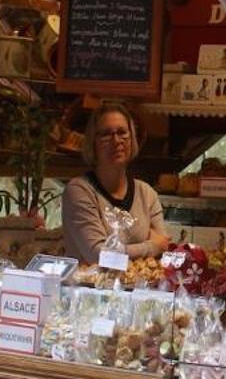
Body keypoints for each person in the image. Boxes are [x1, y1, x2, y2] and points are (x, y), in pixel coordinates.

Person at [61, 100, 169, 263]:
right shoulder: (79, 191)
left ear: (132, 139)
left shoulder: (146, 194)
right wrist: (150, 247)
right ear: (93, 142)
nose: (116, 140)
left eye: (122, 132)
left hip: (139, 288)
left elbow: (164, 247)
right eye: (106, 134)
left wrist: (119, 251)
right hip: (88, 288)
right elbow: (98, 256)